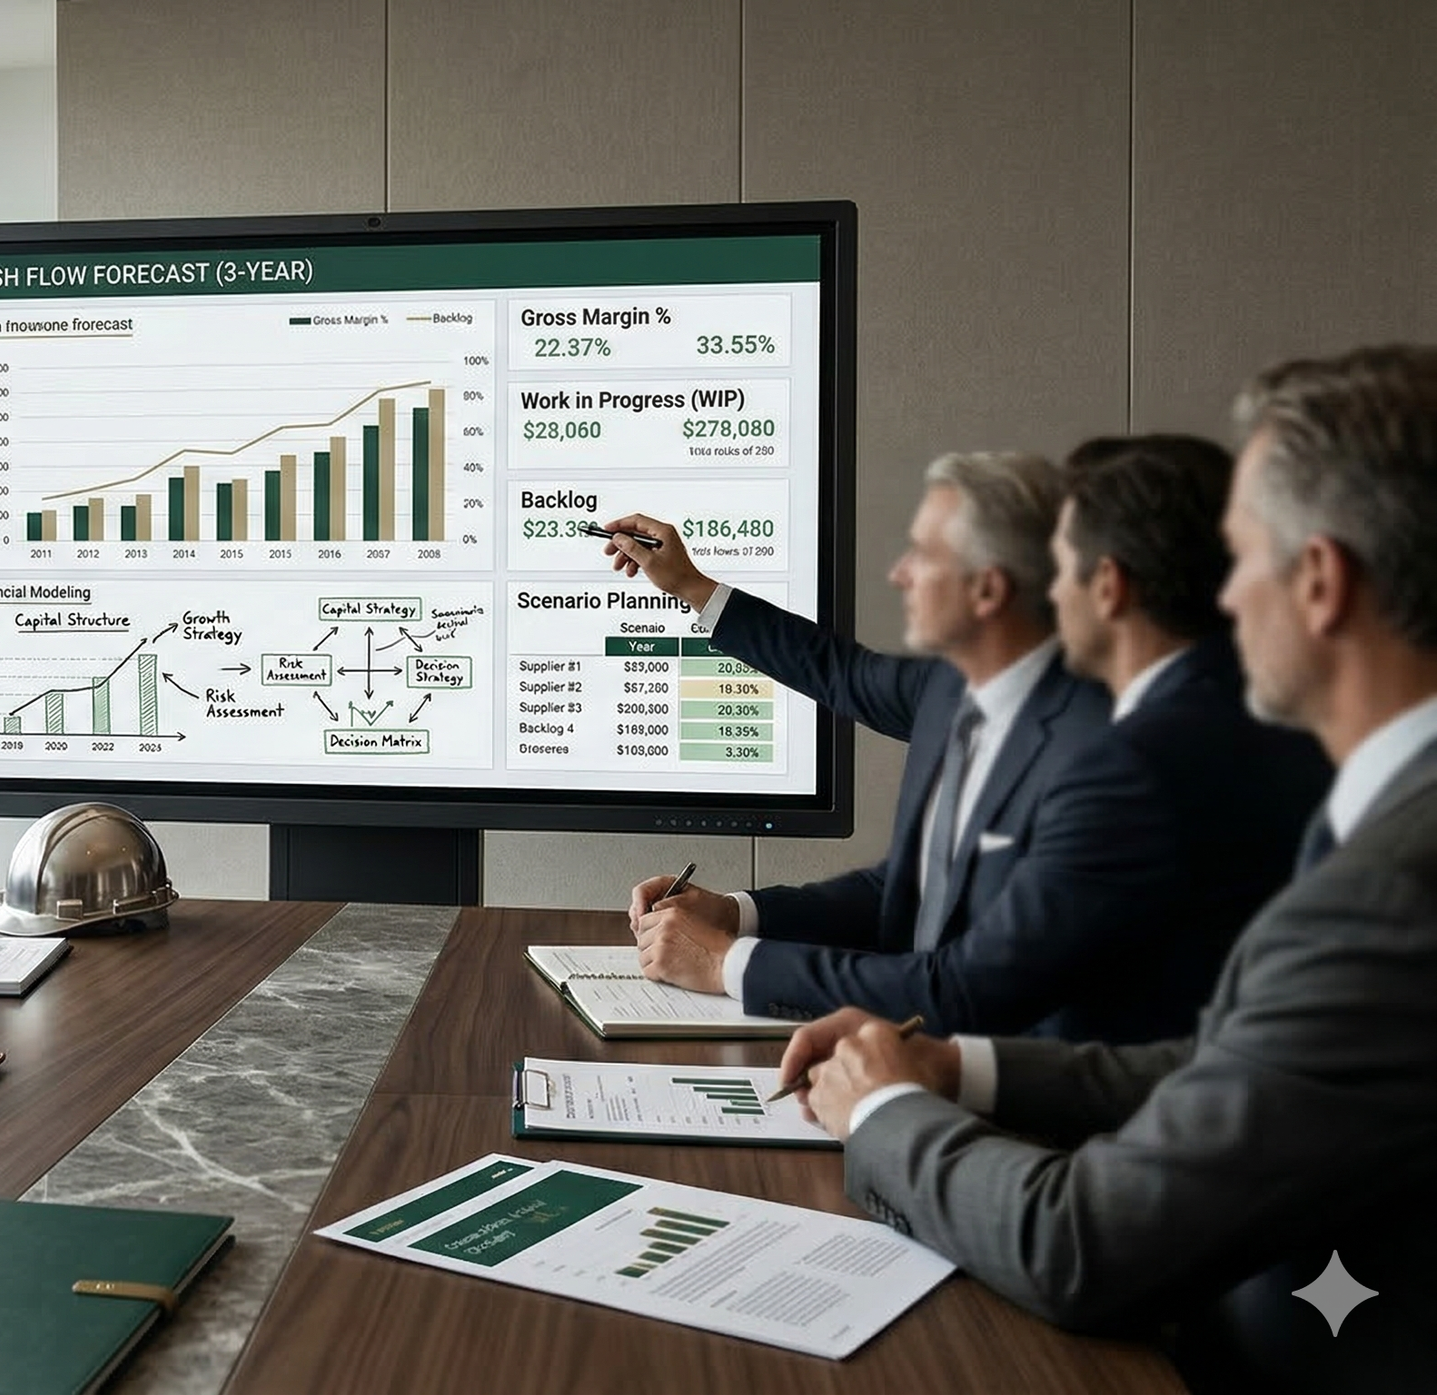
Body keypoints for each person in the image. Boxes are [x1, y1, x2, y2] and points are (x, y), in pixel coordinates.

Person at [784, 345, 1437, 1393]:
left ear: (1319, 582)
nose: (1222, 598)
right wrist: (955, 1068)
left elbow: (1082, 1246)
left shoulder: (1391, 893)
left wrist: (883, 1113)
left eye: (1239, 559)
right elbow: (1238, 1059)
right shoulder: (1384, 819)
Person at [597, 452, 1123, 1034]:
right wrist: (736, 914)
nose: (899, 573)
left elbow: (968, 986)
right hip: (903, 1053)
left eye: (922, 554)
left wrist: (728, 963)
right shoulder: (950, 690)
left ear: (987, 590)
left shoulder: (1097, 756)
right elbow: (901, 888)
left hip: (1009, 1076)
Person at [1038, 435, 1328, 1030]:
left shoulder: (1135, 761)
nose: (1051, 591)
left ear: (1108, 585)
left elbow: (1000, 980)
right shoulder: (1246, 716)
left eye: (1061, 567)